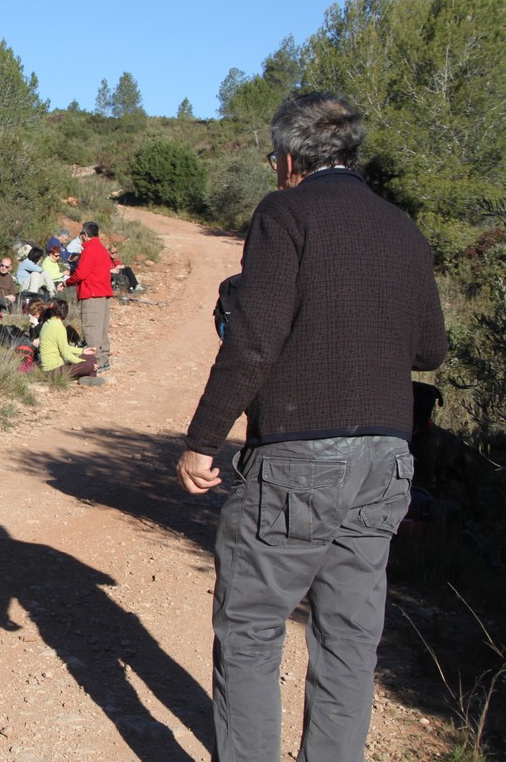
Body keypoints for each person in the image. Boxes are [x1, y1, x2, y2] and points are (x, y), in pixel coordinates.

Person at [175, 93, 448, 762]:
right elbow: (430, 350)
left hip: (297, 457)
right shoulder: (403, 228)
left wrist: (202, 441)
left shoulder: (285, 213)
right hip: (386, 459)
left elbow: (254, 342)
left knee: (250, 629)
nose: (274, 169)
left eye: (274, 158)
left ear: (291, 159)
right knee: (350, 640)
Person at [64, 221, 116, 371]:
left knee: (92, 329)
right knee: (101, 329)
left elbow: (81, 274)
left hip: (92, 294)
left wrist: (66, 282)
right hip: (103, 293)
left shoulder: (89, 250)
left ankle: (94, 362)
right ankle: (103, 359)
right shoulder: (102, 249)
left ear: (85, 235)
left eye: (81, 234)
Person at [37, 300, 102, 385]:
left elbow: (64, 347)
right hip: (54, 370)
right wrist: (83, 362)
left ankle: (88, 378)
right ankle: (91, 378)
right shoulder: (58, 327)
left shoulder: (47, 324)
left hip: (50, 369)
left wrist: (83, 351)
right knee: (89, 364)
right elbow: (66, 355)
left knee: (90, 357)